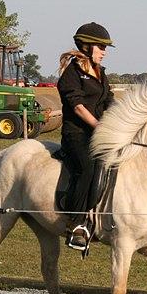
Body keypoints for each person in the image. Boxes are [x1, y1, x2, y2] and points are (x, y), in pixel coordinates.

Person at [57, 22, 115, 250]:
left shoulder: (100, 73)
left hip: (98, 133)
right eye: (101, 47)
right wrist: (98, 125)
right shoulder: (71, 73)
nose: (104, 51)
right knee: (88, 167)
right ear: (88, 46)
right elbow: (78, 106)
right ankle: (78, 223)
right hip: (76, 135)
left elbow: (109, 100)